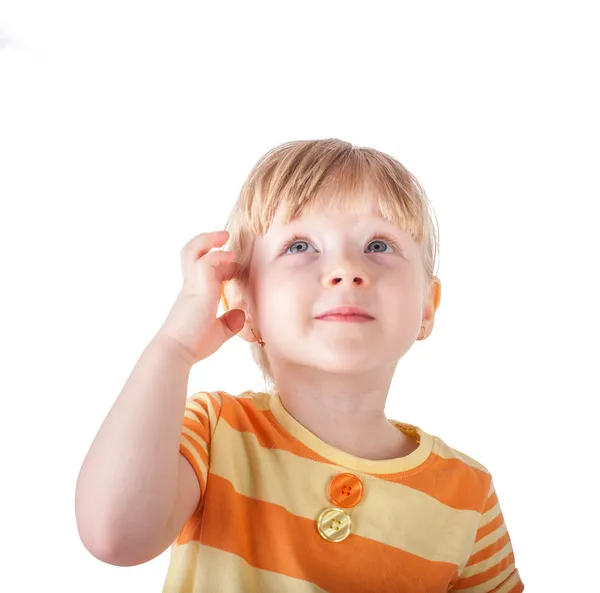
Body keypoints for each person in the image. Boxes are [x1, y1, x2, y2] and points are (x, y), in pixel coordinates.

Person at [75, 138, 524, 592]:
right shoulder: (214, 432)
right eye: (300, 245)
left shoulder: (468, 497)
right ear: (244, 302)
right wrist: (173, 348)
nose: (347, 268)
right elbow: (115, 535)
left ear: (427, 307)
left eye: (378, 245)